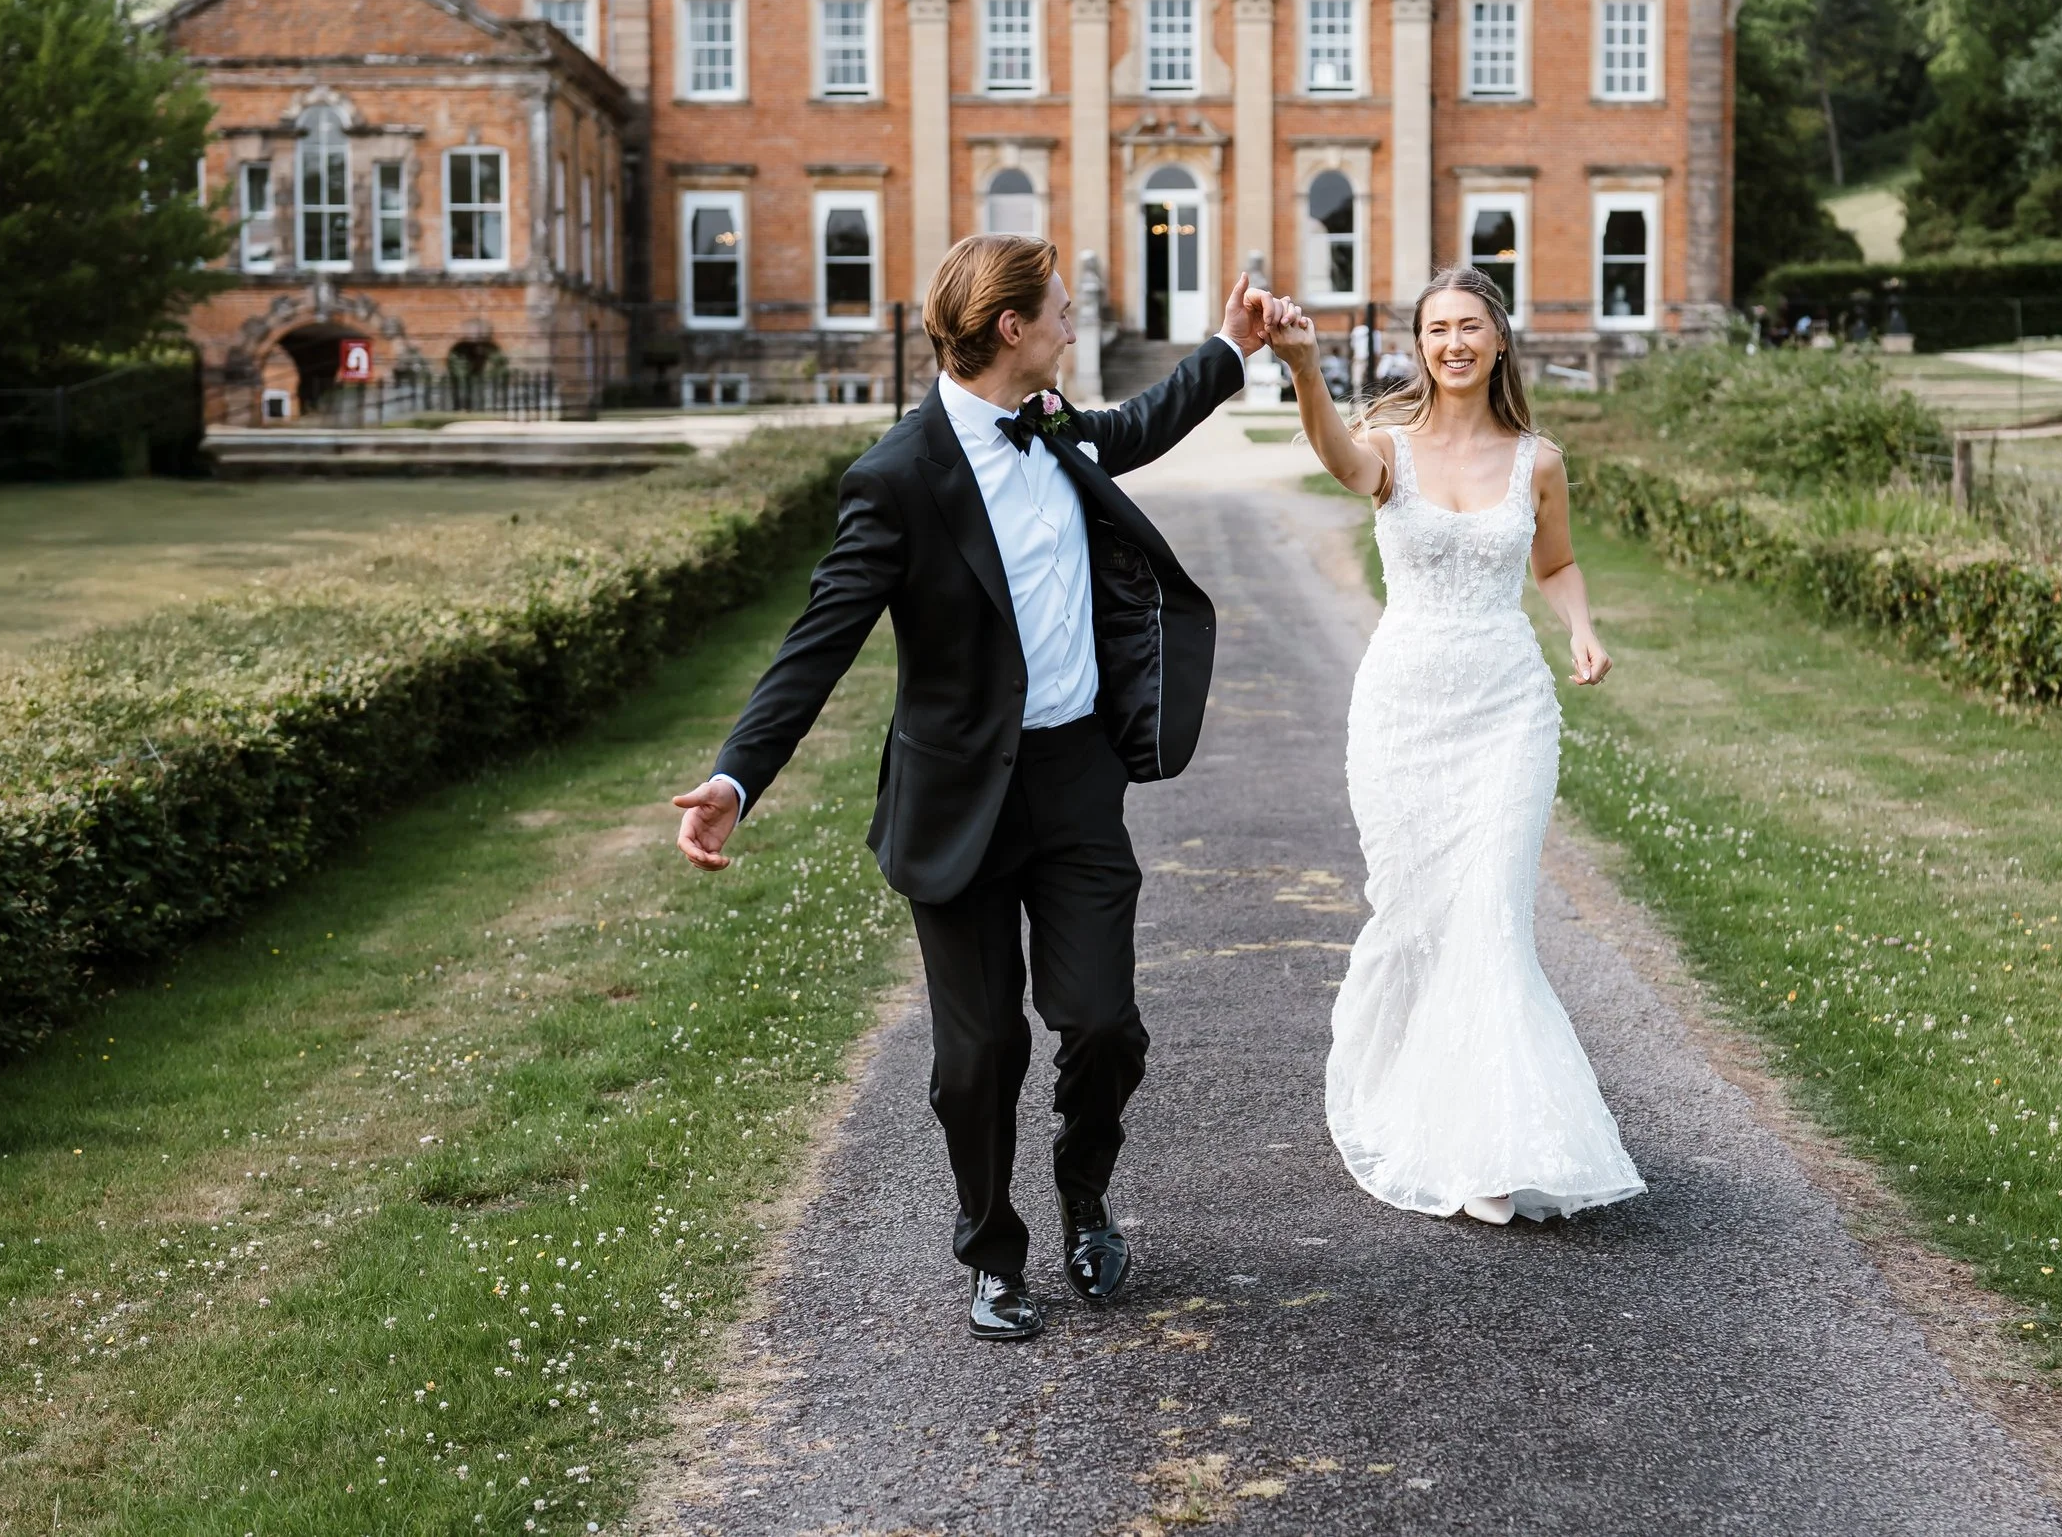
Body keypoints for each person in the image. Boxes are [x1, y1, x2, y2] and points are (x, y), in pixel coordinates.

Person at [671, 234, 1275, 1339]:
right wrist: (735, 775)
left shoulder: (1055, 427)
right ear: (1011, 330)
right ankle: (993, 1248)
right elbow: (820, 638)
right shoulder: (899, 477)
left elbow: (1136, 427)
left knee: (1103, 1025)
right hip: (958, 800)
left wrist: (1229, 347)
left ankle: (1084, 1192)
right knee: (980, 1049)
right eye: (1058, 311)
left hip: (1076, 777)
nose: (1072, 327)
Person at [1265, 268, 1647, 1226]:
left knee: (1492, 915)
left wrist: (1581, 628)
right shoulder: (1389, 449)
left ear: (1500, 339)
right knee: (1418, 914)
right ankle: (1414, 1099)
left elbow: (1554, 562)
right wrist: (1308, 366)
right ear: (1420, 346)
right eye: (1437, 329)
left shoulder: (1538, 460)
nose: (1453, 343)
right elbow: (1338, 460)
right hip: (1403, 713)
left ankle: (1493, 1142)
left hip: (1507, 709)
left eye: (1470, 326)